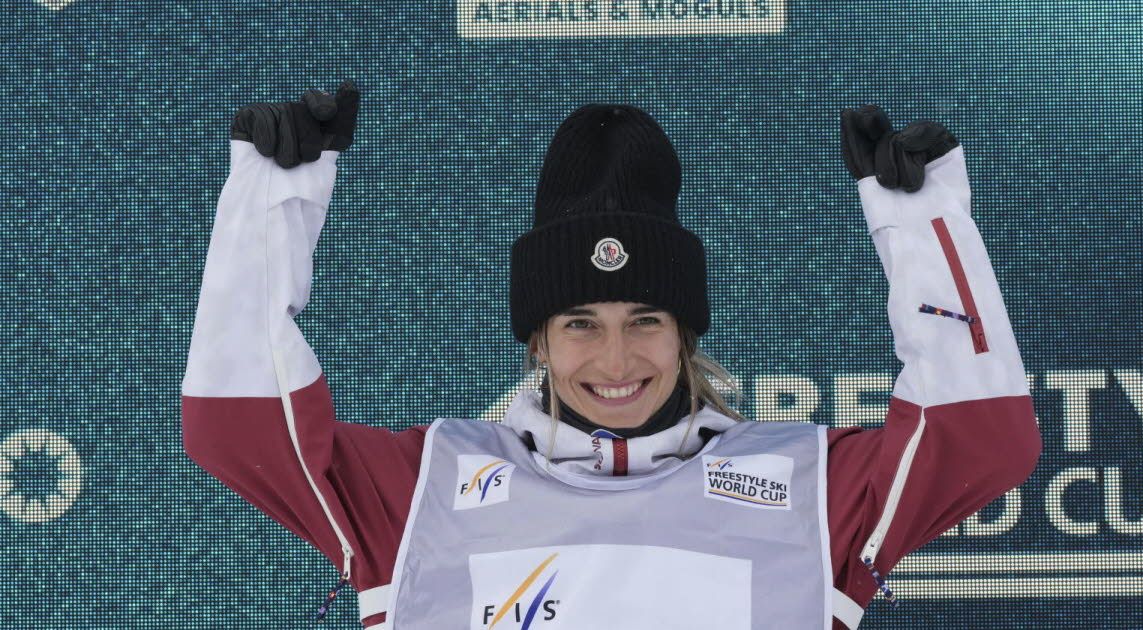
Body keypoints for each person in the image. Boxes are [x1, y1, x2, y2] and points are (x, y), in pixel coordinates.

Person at [182, 81, 1041, 629]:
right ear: (538, 338)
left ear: (687, 332)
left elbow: (984, 439)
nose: (617, 358)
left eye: (646, 319)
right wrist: (272, 211)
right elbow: (236, 428)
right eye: (581, 323)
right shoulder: (420, 488)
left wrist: (922, 227)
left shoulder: (814, 487)